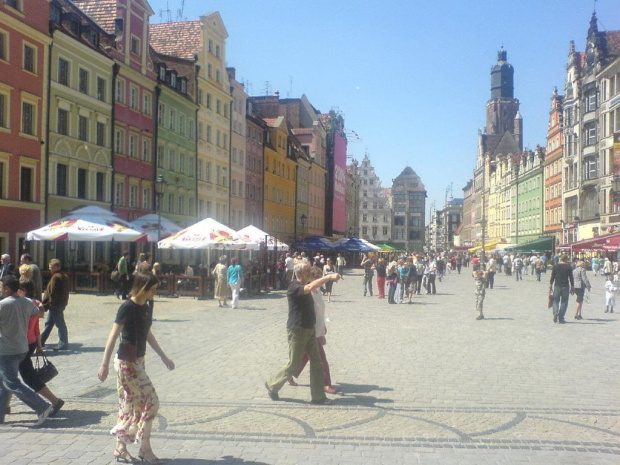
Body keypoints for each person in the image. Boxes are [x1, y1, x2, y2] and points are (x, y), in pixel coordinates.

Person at [98, 273, 174, 464]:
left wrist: (164, 356)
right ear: (142, 288)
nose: (155, 293)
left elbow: (147, 333)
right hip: (125, 363)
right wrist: (104, 364)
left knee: (130, 405)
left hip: (139, 361)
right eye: (152, 290)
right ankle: (145, 448)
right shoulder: (126, 307)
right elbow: (113, 335)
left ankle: (120, 448)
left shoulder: (146, 308)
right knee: (152, 401)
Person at [265, 262, 341, 404]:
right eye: (308, 271)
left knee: (317, 362)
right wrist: (329, 277)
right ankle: (272, 385)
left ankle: (318, 397)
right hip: (297, 330)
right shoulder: (295, 287)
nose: (310, 272)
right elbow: (310, 287)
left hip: (310, 330)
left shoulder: (306, 287)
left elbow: (316, 300)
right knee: (294, 363)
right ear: (301, 273)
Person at [0, 276, 53, 426]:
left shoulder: (3, 305)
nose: (0, 289)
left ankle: (42, 406)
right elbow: (38, 312)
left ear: (7, 289)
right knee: (3, 382)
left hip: (7, 350)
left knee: (11, 383)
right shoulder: (27, 302)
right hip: (22, 347)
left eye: (1, 287)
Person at [11, 280, 64, 417]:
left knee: (24, 377)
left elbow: (22, 326)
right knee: (10, 375)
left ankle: (54, 401)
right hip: (30, 342)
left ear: (23, 290)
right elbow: (36, 328)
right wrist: (39, 345)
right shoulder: (34, 304)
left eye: (18, 289)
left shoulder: (23, 305)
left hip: (22, 343)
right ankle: (5, 405)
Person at [289, 266, 337, 394]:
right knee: (321, 359)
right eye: (317, 279)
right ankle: (325, 383)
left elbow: (319, 310)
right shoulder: (308, 292)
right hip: (310, 330)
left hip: (317, 329)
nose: (319, 281)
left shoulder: (317, 292)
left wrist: (323, 326)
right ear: (310, 279)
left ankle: (289, 373)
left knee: (304, 356)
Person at [40, 259, 70, 351]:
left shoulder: (56, 277)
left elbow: (53, 292)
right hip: (60, 303)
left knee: (60, 324)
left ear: (57, 267)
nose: (49, 269)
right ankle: (40, 341)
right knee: (49, 323)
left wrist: (50, 304)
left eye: (51, 267)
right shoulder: (64, 276)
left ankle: (63, 343)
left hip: (55, 305)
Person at [549, 254, 574, 324]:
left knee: (555, 300)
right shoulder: (569, 267)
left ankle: (555, 312)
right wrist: (572, 286)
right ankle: (561, 317)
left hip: (557, 285)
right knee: (564, 301)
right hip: (565, 286)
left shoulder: (556, 266)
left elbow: (552, 276)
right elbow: (571, 278)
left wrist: (550, 285)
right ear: (566, 259)